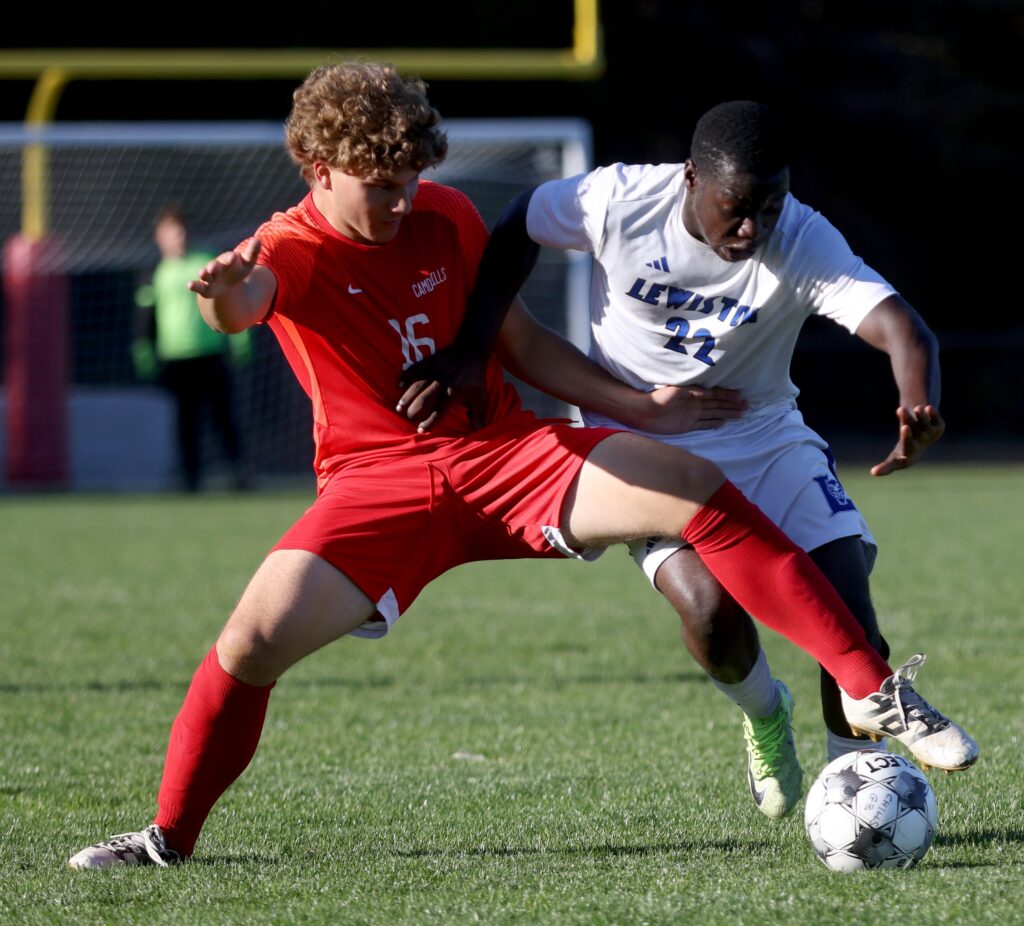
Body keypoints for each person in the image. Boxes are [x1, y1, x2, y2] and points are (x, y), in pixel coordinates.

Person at [68, 67, 975, 869]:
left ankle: (869, 686)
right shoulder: (288, 247)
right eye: (379, 187)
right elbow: (245, 304)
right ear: (318, 172)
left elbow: (525, 344)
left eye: (411, 180)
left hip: (506, 458)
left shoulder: (447, 216)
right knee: (249, 645)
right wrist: (228, 293)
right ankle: (165, 838)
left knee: (693, 488)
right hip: (376, 485)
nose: (399, 202)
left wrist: (637, 408)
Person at [396, 100, 968, 822]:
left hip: (764, 433)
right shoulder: (616, 199)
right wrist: (474, 350)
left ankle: (854, 798)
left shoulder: (801, 235)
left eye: (770, 204)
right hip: (645, 445)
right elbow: (516, 225)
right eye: (736, 207)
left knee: (850, 613)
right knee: (711, 613)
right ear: (691, 179)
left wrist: (918, 404)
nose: (754, 227)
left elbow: (902, 327)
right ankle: (765, 713)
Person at [134, 204, 251, 492]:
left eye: (182, 231)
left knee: (222, 416)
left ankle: (238, 472)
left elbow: (229, 299)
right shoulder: (153, 273)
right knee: (186, 422)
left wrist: (239, 338)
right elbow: (145, 318)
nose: (179, 237)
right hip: (176, 358)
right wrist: (143, 350)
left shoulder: (206, 261)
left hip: (210, 353)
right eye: (172, 232)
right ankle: (190, 478)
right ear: (159, 237)